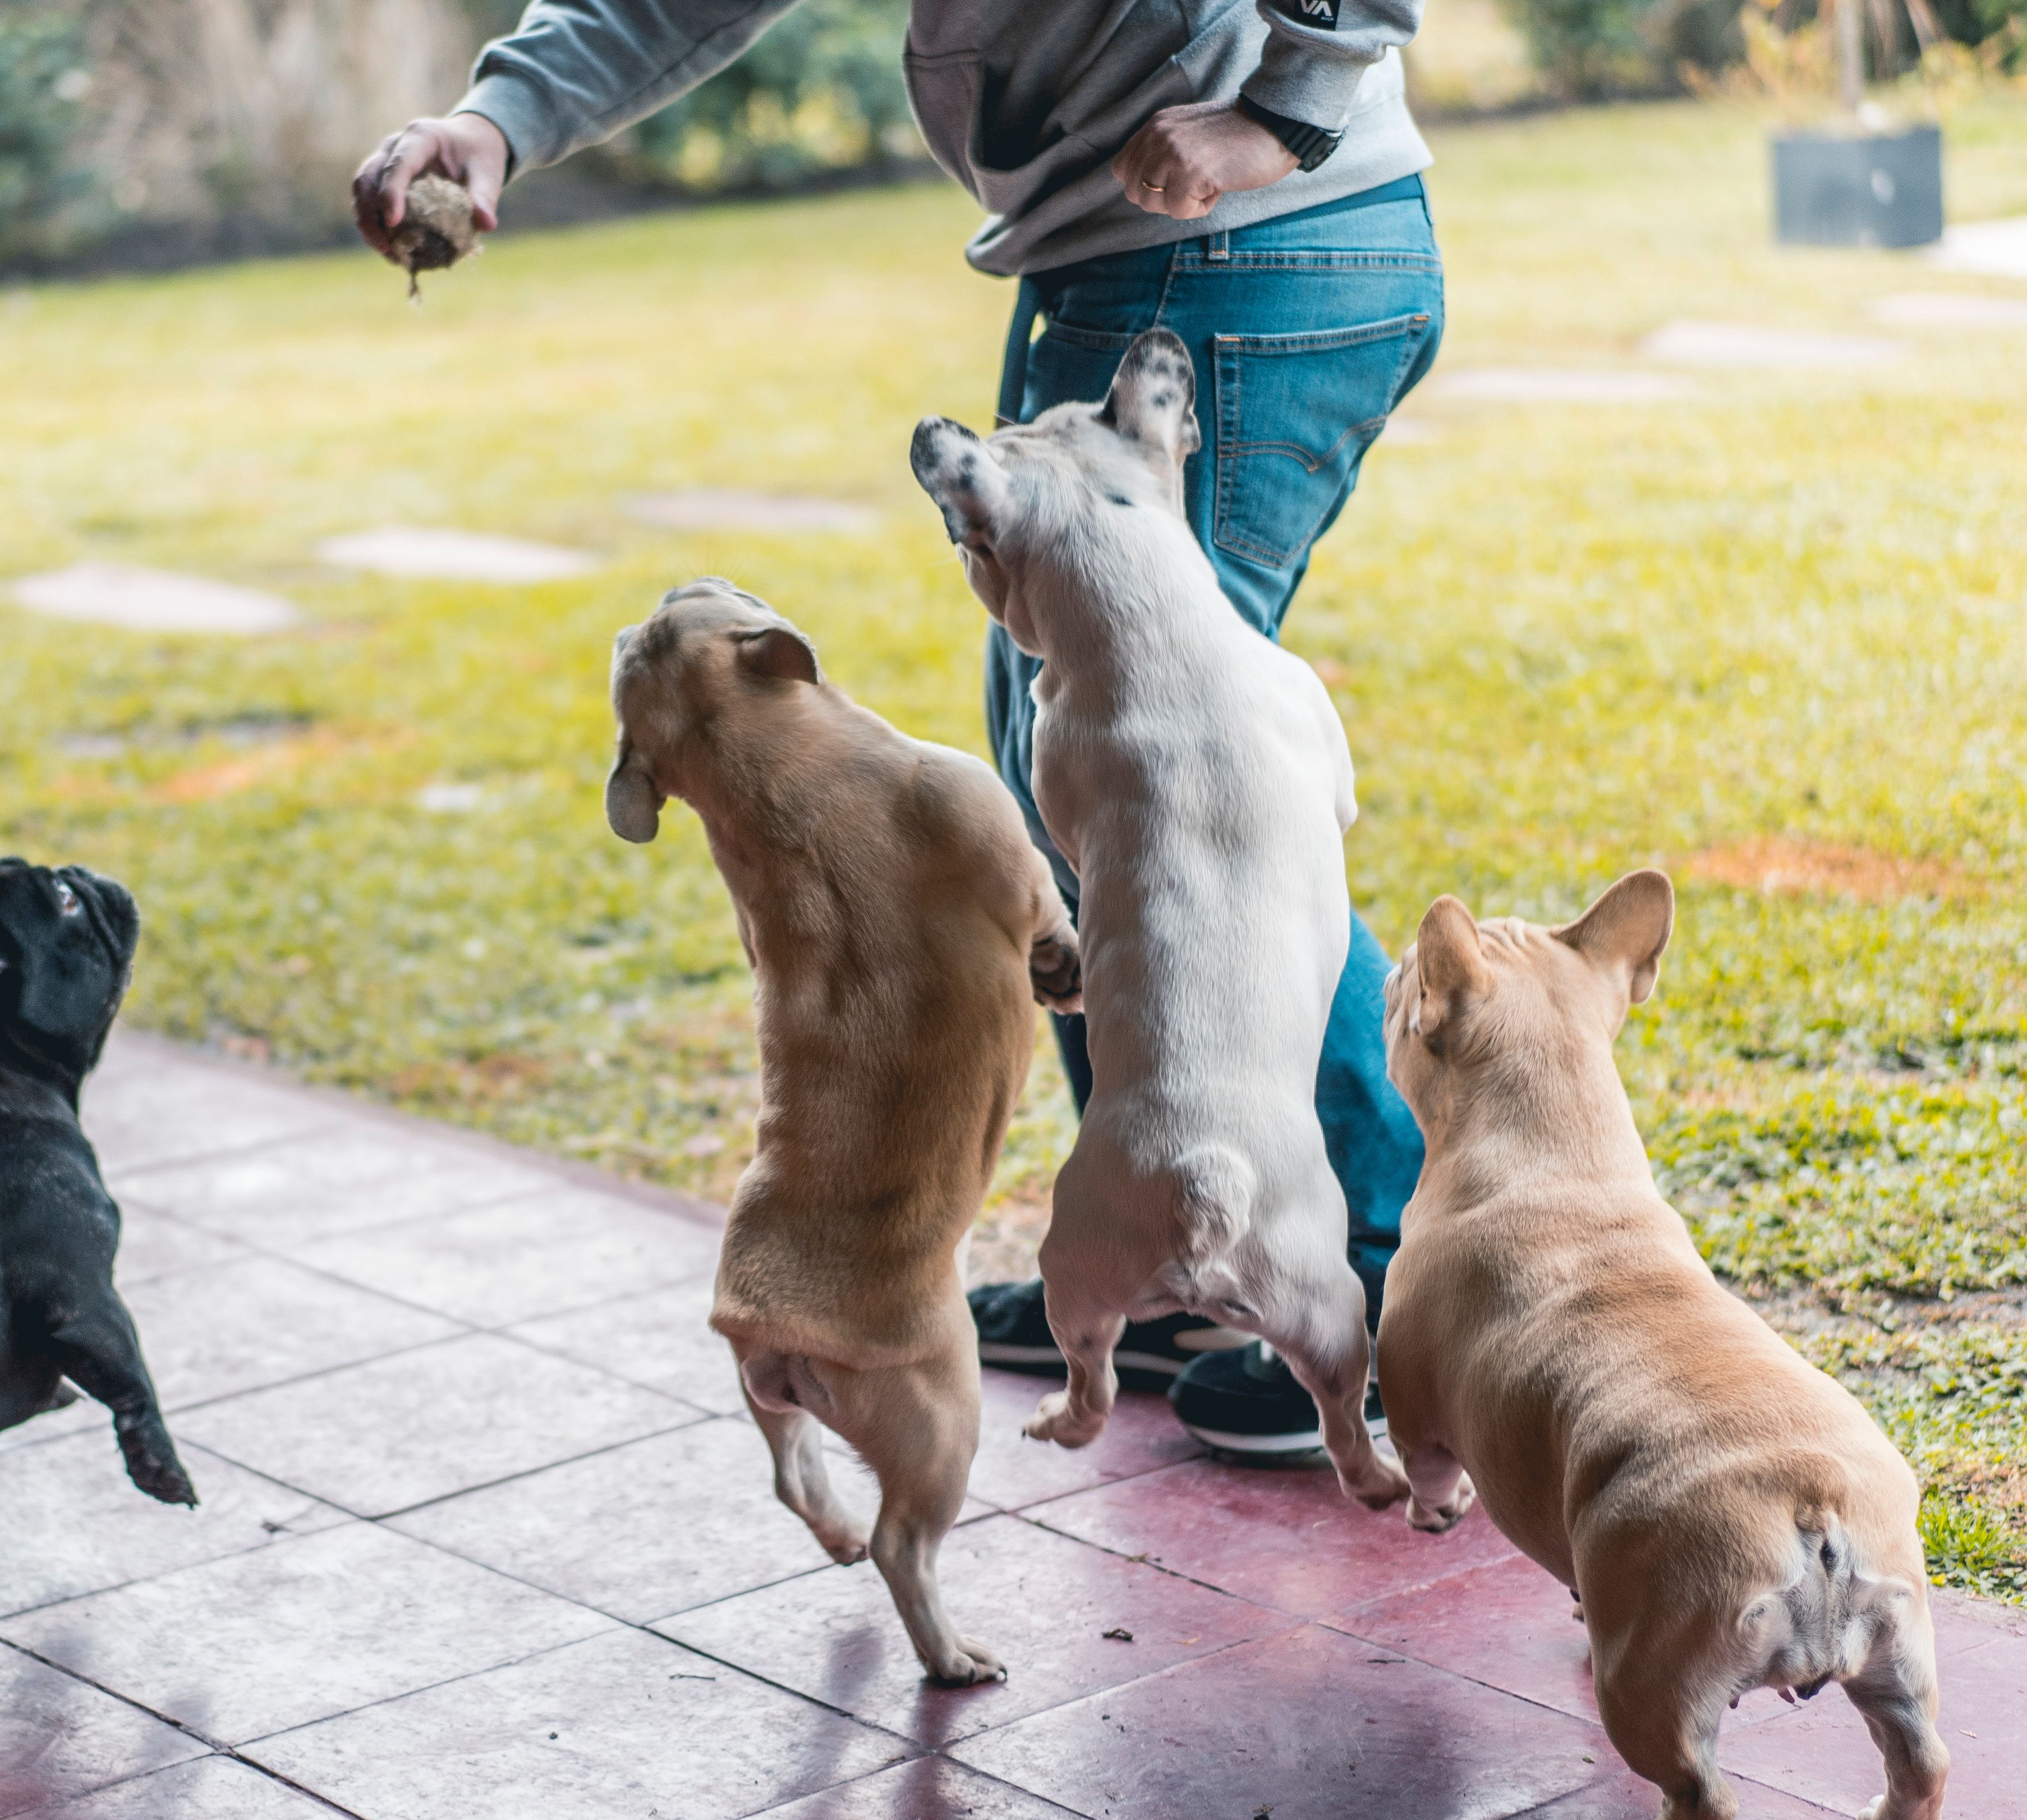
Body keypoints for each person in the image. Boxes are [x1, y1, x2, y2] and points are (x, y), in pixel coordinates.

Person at [352, 0, 1437, 1461]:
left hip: (1242, 235)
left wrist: (1285, 107)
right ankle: (1188, 1259)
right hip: (1130, 245)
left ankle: (1370, 1284)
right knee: (1081, 779)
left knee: (1190, 789)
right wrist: (498, 119)